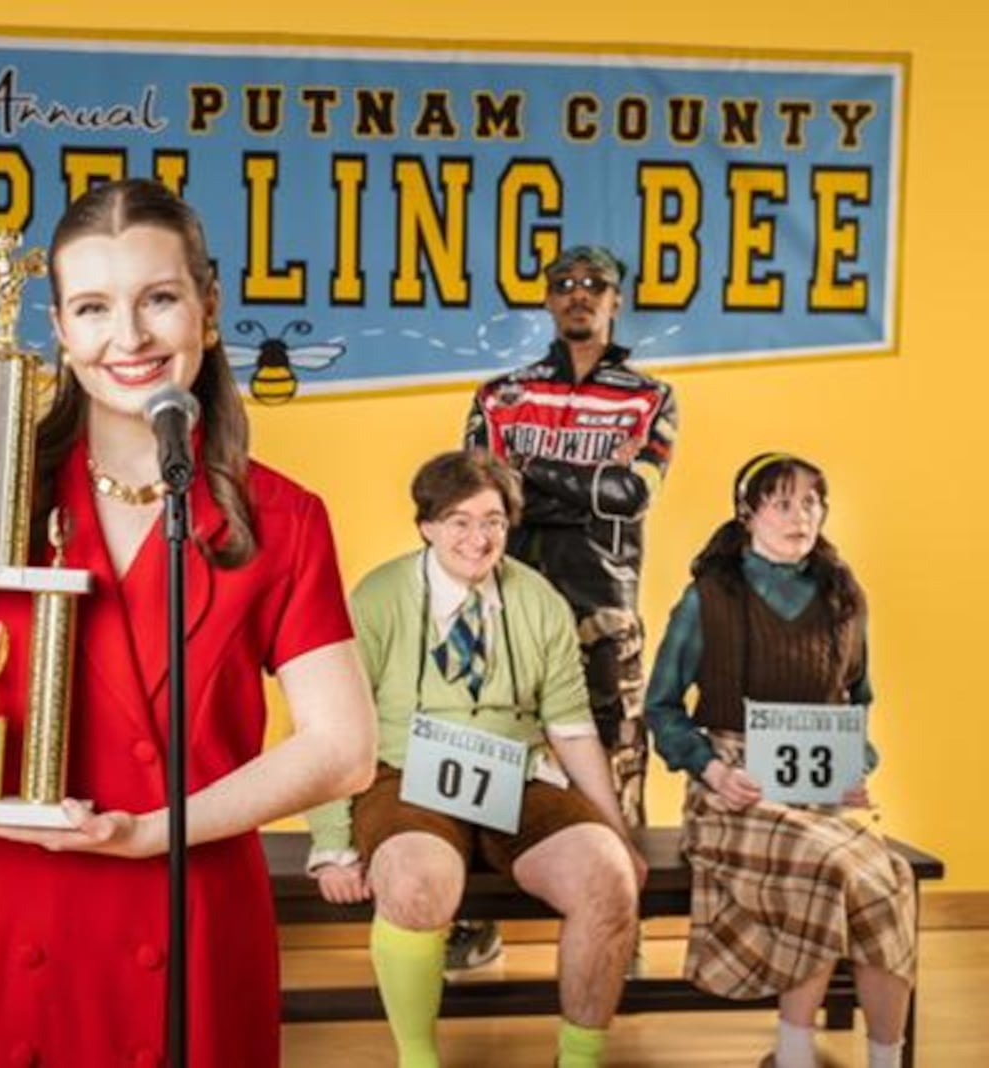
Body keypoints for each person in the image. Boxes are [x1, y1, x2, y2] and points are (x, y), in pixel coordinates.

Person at [0, 179, 377, 1068]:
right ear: (59, 328)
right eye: (93, 307)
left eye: (158, 299)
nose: (126, 338)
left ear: (208, 310)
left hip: (193, 894)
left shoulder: (284, 519)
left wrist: (151, 834)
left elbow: (344, 748)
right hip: (19, 899)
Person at [306, 450, 645, 1068]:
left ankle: (580, 1060)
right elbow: (338, 723)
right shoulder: (379, 597)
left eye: (492, 520)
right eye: (459, 520)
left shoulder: (537, 599)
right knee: (416, 882)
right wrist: (332, 843)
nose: (477, 537)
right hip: (404, 773)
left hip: (515, 773)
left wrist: (617, 833)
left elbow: (569, 729)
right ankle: (418, 1060)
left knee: (607, 877)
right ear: (427, 526)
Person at [645, 453, 915, 1068]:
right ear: (748, 514)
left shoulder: (844, 597)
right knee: (826, 865)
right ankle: (793, 1056)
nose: (802, 515)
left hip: (818, 791)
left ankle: (887, 1058)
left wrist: (854, 767)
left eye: (812, 502)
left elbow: (858, 700)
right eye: (783, 502)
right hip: (733, 788)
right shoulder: (707, 597)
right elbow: (661, 708)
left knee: (891, 879)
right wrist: (712, 769)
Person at [457, 245, 677, 972]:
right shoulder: (502, 394)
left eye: (595, 286)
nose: (579, 295)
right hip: (508, 597)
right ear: (548, 301)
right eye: (564, 285)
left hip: (604, 603)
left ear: (616, 301)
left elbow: (632, 494)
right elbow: (482, 492)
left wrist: (533, 479)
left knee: (616, 759)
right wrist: (587, 483)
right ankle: (475, 920)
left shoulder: (650, 396)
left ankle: (622, 921)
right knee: (486, 741)